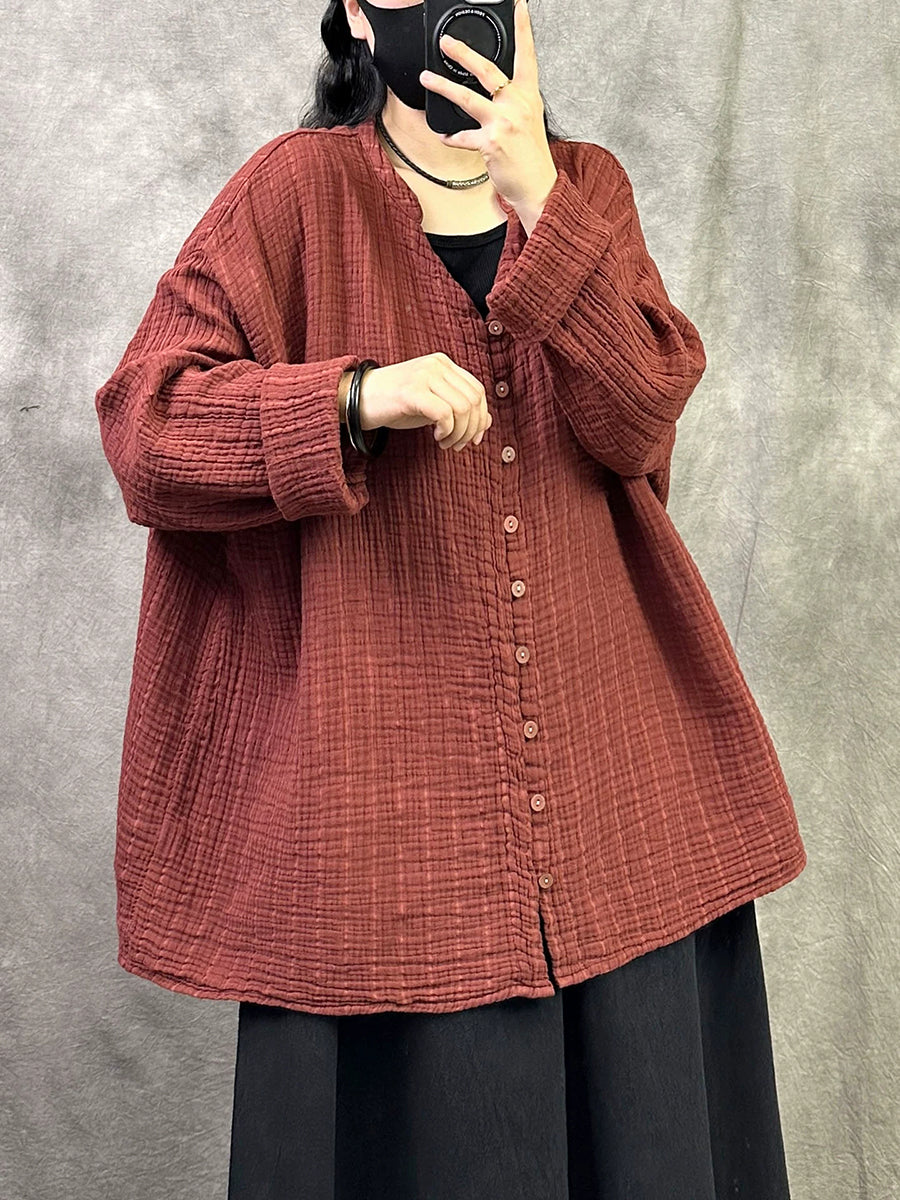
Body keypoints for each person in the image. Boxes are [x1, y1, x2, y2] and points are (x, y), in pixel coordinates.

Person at [94, 1, 807, 1196]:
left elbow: (639, 418)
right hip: (381, 839)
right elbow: (147, 430)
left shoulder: (586, 186)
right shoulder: (291, 194)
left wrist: (545, 206)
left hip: (620, 814)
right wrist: (352, 399)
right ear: (358, 17)